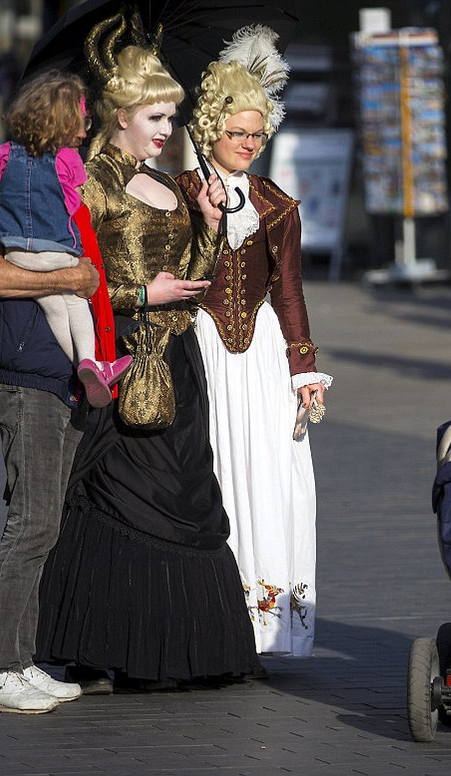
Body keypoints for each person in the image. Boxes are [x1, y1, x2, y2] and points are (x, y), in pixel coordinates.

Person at [34, 25, 259, 691]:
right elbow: (70, 274)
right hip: (122, 358)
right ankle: (105, 651)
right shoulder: (90, 182)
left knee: (187, 494)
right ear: (121, 116)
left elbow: (194, 279)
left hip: (179, 361)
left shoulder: (164, 181)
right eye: (157, 118)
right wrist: (139, 293)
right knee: (118, 499)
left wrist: (212, 230)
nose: (167, 130)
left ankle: (179, 653)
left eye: (172, 117)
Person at [180, 25, 331, 657]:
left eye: (256, 133)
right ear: (210, 129)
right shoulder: (180, 194)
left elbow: (290, 292)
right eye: (236, 132)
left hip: (262, 357)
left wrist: (305, 372)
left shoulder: (278, 206)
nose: (247, 143)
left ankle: (261, 625)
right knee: (210, 470)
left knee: (269, 477)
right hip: (202, 346)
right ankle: (206, 618)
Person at [0, 136, 101, 710]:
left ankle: (20, 661)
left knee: (44, 522)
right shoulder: (8, 189)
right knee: (32, 520)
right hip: (24, 372)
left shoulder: (54, 188)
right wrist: (67, 280)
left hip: (55, 371)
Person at [0, 72, 131, 405]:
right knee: (74, 303)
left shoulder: (5, 153)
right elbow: (74, 200)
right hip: (57, 252)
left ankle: (84, 367)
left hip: (17, 252)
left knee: (53, 308)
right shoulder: (68, 159)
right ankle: (90, 363)